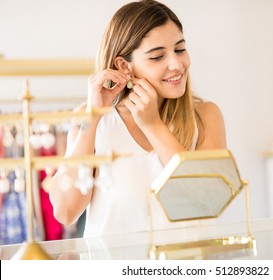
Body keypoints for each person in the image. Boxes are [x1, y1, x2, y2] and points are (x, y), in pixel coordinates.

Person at [49, 0, 226, 238]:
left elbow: (206, 202)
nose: (176, 64)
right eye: (157, 57)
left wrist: (153, 125)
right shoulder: (93, 121)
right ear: (124, 66)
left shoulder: (205, 116)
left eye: (180, 49)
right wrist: (92, 120)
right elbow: (65, 212)